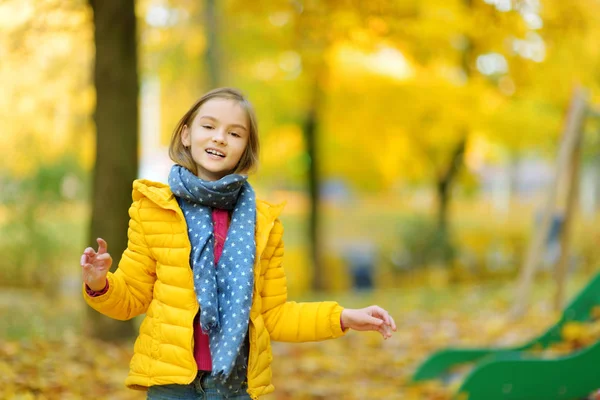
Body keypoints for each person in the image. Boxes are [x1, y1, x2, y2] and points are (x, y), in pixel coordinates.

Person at [81, 87, 396, 400]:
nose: (219, 137)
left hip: (234, 387)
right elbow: (132, 298)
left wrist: (342, 317)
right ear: (187, 135)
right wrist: (100, 284)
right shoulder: (153, 210)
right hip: (171, 386)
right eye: (209, 126)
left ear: (245, 149)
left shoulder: (263, 224)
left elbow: (274, 315)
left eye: (234, 133)